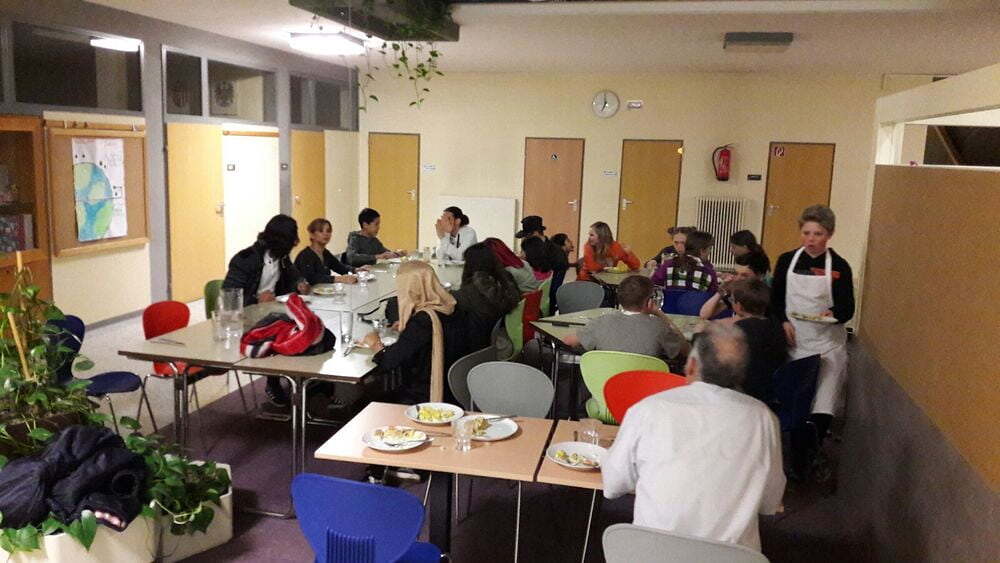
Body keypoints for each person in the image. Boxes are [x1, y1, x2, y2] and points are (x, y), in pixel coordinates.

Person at [602, 323, 785, 551]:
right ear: (742, 373)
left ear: (692, 365)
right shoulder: (763, 419)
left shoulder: (649, 409)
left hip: (654, 553)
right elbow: (770, 503)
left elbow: (613, 485)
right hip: (731, 556)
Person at [770, 204, 854, 443]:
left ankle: (814, 446)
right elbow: (776, 299)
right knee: (796, 402)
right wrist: (783, 322)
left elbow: (848, 307)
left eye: (818, 234)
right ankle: (794, 448)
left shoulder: (839, 266)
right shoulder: (787, 261)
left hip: (827, 346)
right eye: (806, 233)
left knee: (823, 405)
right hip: (795, 343)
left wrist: (832, 313)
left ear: (829, 235)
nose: (811, 239)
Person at [223, 214, 310, 407]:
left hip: (270, 311)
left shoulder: (282, 257)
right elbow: (229, 299)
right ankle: (275, 382)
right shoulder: (245, 259)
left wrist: (300, 283)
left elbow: (294, 276)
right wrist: (256, 299)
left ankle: (304, 378)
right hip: (245, 317)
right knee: (287, 329)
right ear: (281, 240)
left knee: (305, 322)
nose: (295, 243)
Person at [361, 261, 471, 404]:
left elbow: (389, 361)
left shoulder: (423, 322)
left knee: (366, 398)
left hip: (425, 395)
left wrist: (375, 344)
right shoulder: (452, 308)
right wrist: (409, 327)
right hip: (456, 387)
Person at [562, 275, 688, 361]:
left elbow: (568, 342)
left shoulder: (601, 322)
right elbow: (686, 351)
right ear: (649, 302)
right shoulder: (659, 326)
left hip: (604, 387)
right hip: (644, 389)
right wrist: (660, 314)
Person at [451, 242, 521, 353]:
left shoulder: (470, 293)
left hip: (478, 348)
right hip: (501, 338)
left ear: (469, 265)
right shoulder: (506, 280)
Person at [728, 278, 788, 405]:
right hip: (771, 390)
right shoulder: (776, 325)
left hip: (746, 393)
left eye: (732, 300)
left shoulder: (740, 329)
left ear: (739, 306)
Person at [699, 251, 771, 320]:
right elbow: (704, 315)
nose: (738, 279)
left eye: (744, 275)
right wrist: (721, 291)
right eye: (736, 273)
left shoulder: (767, 298)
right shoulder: (738, 291)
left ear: (760, 276)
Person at [294, 218, 359, 285]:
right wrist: (338, 279)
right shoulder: (305, 255)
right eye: (321, 231)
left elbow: (340, 267)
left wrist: (356, 270)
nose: (326, 234)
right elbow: (310, 278)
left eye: (328, 231)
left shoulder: (325, 253)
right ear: (312, 235)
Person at [650, 230, 719, 292]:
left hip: (670, 302)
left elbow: (653, 284)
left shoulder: (668, 265)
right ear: (702, 251)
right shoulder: (709, 272)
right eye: (709, 249)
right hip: (697, 302)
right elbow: (713, 294)